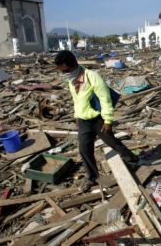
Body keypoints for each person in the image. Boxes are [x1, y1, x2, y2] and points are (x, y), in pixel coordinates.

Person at [55, 50, 138, 192]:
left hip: (98, 119)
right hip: (83, 121)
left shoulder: (92, 77)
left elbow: (105, 100)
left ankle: (133, 160)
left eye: (66, 70)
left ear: (74, 64)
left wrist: (108, 121)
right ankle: (92, 177)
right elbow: (77, 100)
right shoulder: (72, 80)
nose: (64, 73)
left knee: (112, 142)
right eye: (62, 71)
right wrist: (77, 116)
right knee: (84, 150)